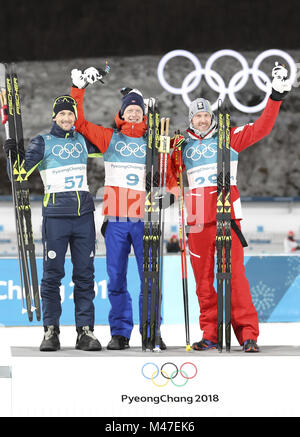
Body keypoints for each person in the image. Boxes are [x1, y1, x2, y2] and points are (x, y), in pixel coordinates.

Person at [171, 62, 292, 353]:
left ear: (211, 117)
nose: (201, 120)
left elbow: (262, 127)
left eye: (205, 115)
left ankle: (248, 334)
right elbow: (168, 177)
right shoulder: (182, 144)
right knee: (204, 280)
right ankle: (210, 333)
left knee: (236, 278)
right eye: (197, 116)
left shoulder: (229, 137)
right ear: (191, 119)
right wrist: (168, 154)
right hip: (197, 220)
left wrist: (275, 95)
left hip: (228, 216)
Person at [70, 67, 176, 350]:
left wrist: (171, 196)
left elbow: (170, 176)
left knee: (149, 280)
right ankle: (120, 333)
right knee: (115, 279)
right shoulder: (110, 138)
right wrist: (77, 89)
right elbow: (79, 123)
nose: (133, 113)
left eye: (137, 110)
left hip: (145, 220)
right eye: (129, 110)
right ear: (122, 113)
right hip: (116, 219)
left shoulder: (153, 144)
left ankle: (152, 330)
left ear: (144, 114)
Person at [4, 95, 103, 352]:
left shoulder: (82, 140)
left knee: (85, 276)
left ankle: (85, 331)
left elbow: (108, 142)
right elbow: (18, 175)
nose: (67, 118)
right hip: (56, 217)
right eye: (62, 115)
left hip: (83, 217)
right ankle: (51, 330)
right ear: (54, 117)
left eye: (71, 114)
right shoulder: (43, 141)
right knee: (52, 276)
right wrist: (11, 153)